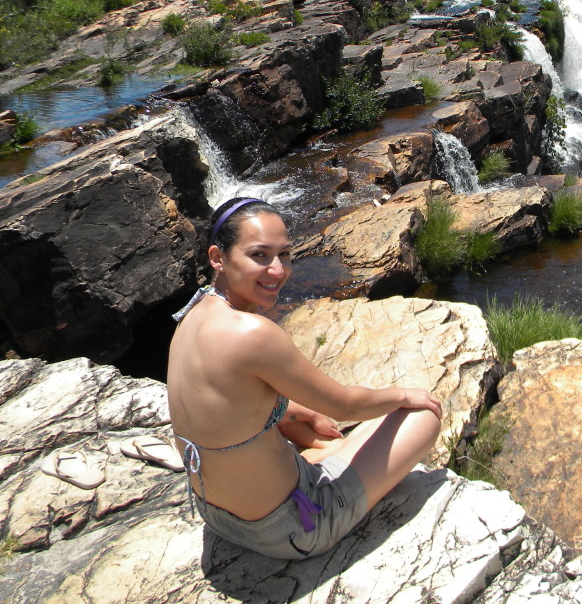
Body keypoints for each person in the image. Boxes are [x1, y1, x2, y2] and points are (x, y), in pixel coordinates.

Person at [167, 197, 442, 559]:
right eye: (260, 256)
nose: (278, 271)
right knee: (424, 418)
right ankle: (335, 458)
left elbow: (233, 400)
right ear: (218, 258)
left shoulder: (194, 313)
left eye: (284, 255)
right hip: (292, 528)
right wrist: (405, 395)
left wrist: (299, 412)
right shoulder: (252, 333)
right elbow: (344, 405)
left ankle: (329, 451)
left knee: (309, 422)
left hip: (217, 515)